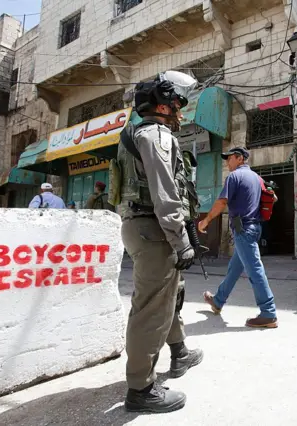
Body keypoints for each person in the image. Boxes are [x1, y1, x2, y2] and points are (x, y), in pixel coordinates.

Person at [115, 71, 203, 413]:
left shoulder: (137, 132)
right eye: (178, 104)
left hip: (146, 227)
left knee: (169, 298)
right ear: (164, 104)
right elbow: (165, 197)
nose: (181, 112)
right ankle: (141, 389)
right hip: (155, 229)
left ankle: (179, 352)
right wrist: (181, 240)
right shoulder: (156, 137)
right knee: (150, 309)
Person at [200, 147, 278, 328]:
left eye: (229, 158)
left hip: (243, 230)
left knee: (255, 270)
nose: (227, 162)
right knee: (235, 268)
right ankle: (218, 300)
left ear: (240, 158)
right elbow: (273, 198)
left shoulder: (234, 177)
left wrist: (206, 221)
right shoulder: (257, 178)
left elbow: (221, 202)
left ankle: (268, 313)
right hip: (255, 228)